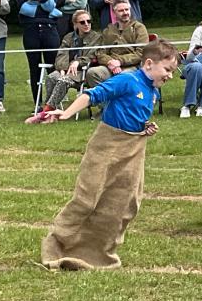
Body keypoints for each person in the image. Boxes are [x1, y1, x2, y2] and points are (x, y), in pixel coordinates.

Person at [40, 39, 178, 271]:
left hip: (132, 151)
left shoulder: (152, 91)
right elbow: (92, 95)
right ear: (148, 64)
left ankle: (98, 252)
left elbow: (133, 115)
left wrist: (144, 127)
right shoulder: (127, 80)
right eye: (167, 69)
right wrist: (66, 113)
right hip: (107, 146)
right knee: (88, 198)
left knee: (126, 202)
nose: (170, 76)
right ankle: (58, 244)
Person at [25, 10, 101, 123]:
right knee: (51, 77)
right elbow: (61, 54)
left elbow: (92, 55)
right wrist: (62, 68)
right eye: (82, 22)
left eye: (88, 21)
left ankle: (45, 113)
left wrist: (78, 62)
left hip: (84, 72)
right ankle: (51, 112)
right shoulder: (69, 37)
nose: (86, 24)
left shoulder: (96, 37)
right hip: (66, 70)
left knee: (63, 81)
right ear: (75, 24)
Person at [16, 0, 62, 104]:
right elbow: (22, 8)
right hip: (31, 31)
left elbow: (49, 6)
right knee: (34, 68)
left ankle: (53, 103)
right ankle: (38, 103)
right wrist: (45, 10)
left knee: (52, 67)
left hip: (49, 30)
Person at [86, 0, 149, 87]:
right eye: (121, 11)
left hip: (132, 66)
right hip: (110, 66)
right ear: (114, 13)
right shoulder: (108, 30)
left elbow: (141, 53)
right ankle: (104, 95)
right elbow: (100, 53)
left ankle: (120, 96)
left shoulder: (139, 28)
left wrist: (119, 61)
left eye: (127, 9)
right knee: (92, 72)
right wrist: (110, 62)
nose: (125, 13)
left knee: (122, 76)